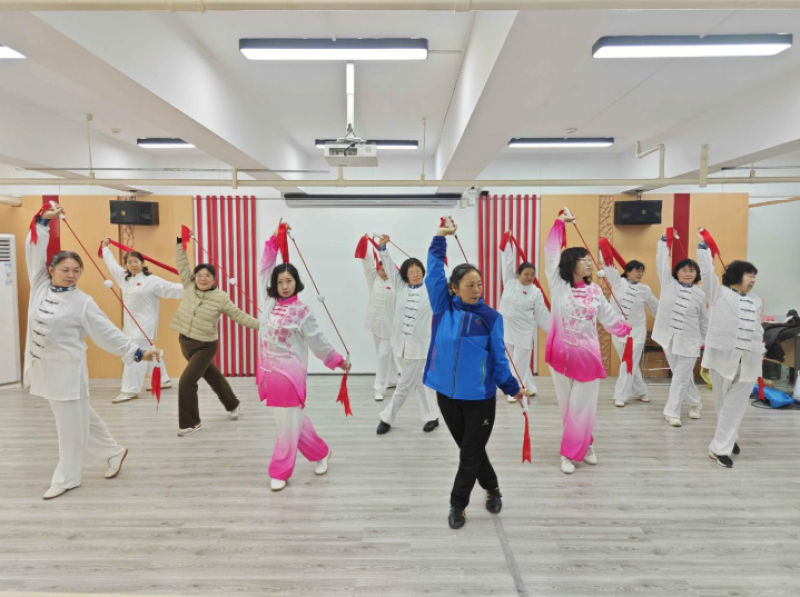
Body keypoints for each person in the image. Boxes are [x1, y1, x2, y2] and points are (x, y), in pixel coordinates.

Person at [25, 205, 159, 500]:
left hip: (68, 373)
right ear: (51, 270)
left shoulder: (82, 302)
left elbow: (107, 332)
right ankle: (114, 451)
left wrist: (138, 352)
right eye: (65, 270)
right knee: (81, 417)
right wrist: (43, 221)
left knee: (70, 428)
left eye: (76, 271)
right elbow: (33, 250)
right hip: (43, 369)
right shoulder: (39, 286)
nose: (71, 275)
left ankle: (67, 478)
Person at [424, 224, 530, 529]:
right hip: (446, 395)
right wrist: (439, 238)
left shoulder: (490, 318)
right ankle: (492, 487)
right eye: (469, 285)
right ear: (454, 288)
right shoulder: (443, 309)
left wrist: (512, 388)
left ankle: (457, 505)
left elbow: (499, 360)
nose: (476, 289)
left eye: (479, 284)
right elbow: (433, 275)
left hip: (479, 399)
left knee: (469, 454)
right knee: (470, 449)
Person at [257, 222, 351, 491]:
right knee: (291, 421)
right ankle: (321, 453)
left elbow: (318, 340)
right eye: (279, 282)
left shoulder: (302, 311)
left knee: (287, 426)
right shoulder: (270, 303)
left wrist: (337, 360)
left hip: (290, 375)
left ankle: (280, 471)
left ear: (296, 283)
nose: (284, 285)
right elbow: (265, 268)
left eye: (289, 281)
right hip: (269, 373)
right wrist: (273, 239)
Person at [544, 211, 631, 475]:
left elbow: (608, 317)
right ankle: (585, 443)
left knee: (584, 406)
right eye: (584, 260)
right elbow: (550, 253)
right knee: (567, 405)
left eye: (589, 260)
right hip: (560, 354)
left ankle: (571, 452)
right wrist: (560, 223)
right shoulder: (558, 285)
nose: (589, 263)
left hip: (588, 356)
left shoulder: (594, 291)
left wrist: (625, 329)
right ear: (571, 264)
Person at [170, 233, 260, 437]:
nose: (203, 278)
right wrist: (180, 242)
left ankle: (191, 423)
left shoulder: (221, 298)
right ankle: (233, 404)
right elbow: (182, 264)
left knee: (186, 382)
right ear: (195, 277)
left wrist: (264, 326)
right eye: (199, 275)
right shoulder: (189, 286)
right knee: (212, 375)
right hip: (185, 341)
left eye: (207, 276)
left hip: (205, 345)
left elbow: (239, 316)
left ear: (214, 279)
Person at [697, 236, 762, 468]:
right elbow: (707, 273)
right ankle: (728, 438)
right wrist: (704, 250)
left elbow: (757, 329)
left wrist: (761, 349)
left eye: (754, 276)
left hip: (749, 360)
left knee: (736, 404)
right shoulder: (719, 293)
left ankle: (719, 448)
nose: (753, 279)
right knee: (723, 403)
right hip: (723, 358)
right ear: (736, 276)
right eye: (749, 275)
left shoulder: (756, 301)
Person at [101, 240, 183, 403]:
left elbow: (173, 289)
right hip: (130, 326)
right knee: (147, 351)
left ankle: (129, 390)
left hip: (145, 325)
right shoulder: (124, 279)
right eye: (129, 262)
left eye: (136, 261)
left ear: (142, 263)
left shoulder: (152, 280)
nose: (133, 264)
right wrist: (105, 249)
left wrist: (196, 286)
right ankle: (163, 380)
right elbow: (112, 266)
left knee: (135, 354)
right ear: (126, 265)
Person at [375, 234, 439, 435]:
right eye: (411, 272)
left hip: (419, 348)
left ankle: (386, 417)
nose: (415, 274)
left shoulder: (430, 290)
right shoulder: (400, 286)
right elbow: (388, 264)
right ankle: (431, 416)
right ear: (405, 275)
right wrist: (382, 248)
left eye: (418, 270)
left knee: (403, 385)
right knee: (419, 383)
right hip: (399, 345)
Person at [652, 231, 709, 427]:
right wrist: (664, 242)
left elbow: (704, 321)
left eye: (692, 271)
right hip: (668, 339)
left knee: (679, 378)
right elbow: (661, 262)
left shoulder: (700, 294)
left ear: (696, 274)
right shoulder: (668, 285)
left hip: (690, 342)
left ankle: (672, 412)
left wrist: (705, 342)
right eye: (684, 270)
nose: (688, 273)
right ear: (676, 272)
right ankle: (695, 402)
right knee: (682, 377)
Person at [498, 230, 550, 401]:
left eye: (532, 275)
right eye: (526, 274)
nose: (529, 277)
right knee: (511, 360)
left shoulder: (536, 292)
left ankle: (514, 390)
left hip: (523, 332)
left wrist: (554, 330)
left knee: (519, 361)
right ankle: (530, 386)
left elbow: (542, 315)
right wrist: (507, 244)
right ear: (518, 274)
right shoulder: (510, 282)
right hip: (505, 327)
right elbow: (507, 263)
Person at [600, 258, 659, 407]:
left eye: (642, 271)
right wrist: (603, 250)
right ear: (628, 271)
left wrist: (669, 318)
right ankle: (641, 391)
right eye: (637, 270)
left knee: (628, 363)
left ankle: (620, 395)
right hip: (618, 331)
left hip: (637, 332)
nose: (640, 273)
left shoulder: (645, 289)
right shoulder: (618, 283)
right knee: (629, 364)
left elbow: (655, 307)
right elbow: (608, 266)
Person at [359, 241, 399, 401]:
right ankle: (393, 380)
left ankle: (379, 388)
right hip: (375, 325)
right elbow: (367, 262)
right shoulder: (373, 280)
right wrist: (366, 243)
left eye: (387, 269)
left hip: (390, 328)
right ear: (377, 269)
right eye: (382, 269)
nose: (385, 272)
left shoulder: (396, 283)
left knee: (383, 356)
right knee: (385, 355)